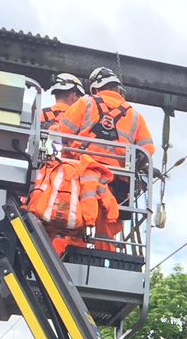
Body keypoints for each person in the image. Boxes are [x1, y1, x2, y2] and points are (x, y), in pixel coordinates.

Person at [57, 68, 154, 245]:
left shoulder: (85, 103)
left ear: (95, 88)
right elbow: (147, 150)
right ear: (117, 88)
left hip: (81, 177)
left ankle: (70, 254)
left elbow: (61, 133)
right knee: (108, 226)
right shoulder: (134, 115)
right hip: (115, 183)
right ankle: (103, 257)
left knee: (75, 221)